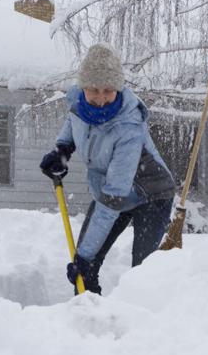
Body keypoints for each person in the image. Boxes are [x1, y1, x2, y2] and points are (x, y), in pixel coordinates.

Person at [39, 43, 176, 294]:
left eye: (108, 91)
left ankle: (140, 315)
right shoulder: (78, 102)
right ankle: (88, 314)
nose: (101, 99)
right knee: (85, 271)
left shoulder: (129, 127)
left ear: (118, 89)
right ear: (83, 88)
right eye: (94, 90)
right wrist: (63, 149)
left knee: (142, 274)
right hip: (111, 190)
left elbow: (114, 197)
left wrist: (84, 256)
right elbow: (74, 121)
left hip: (152, 193)